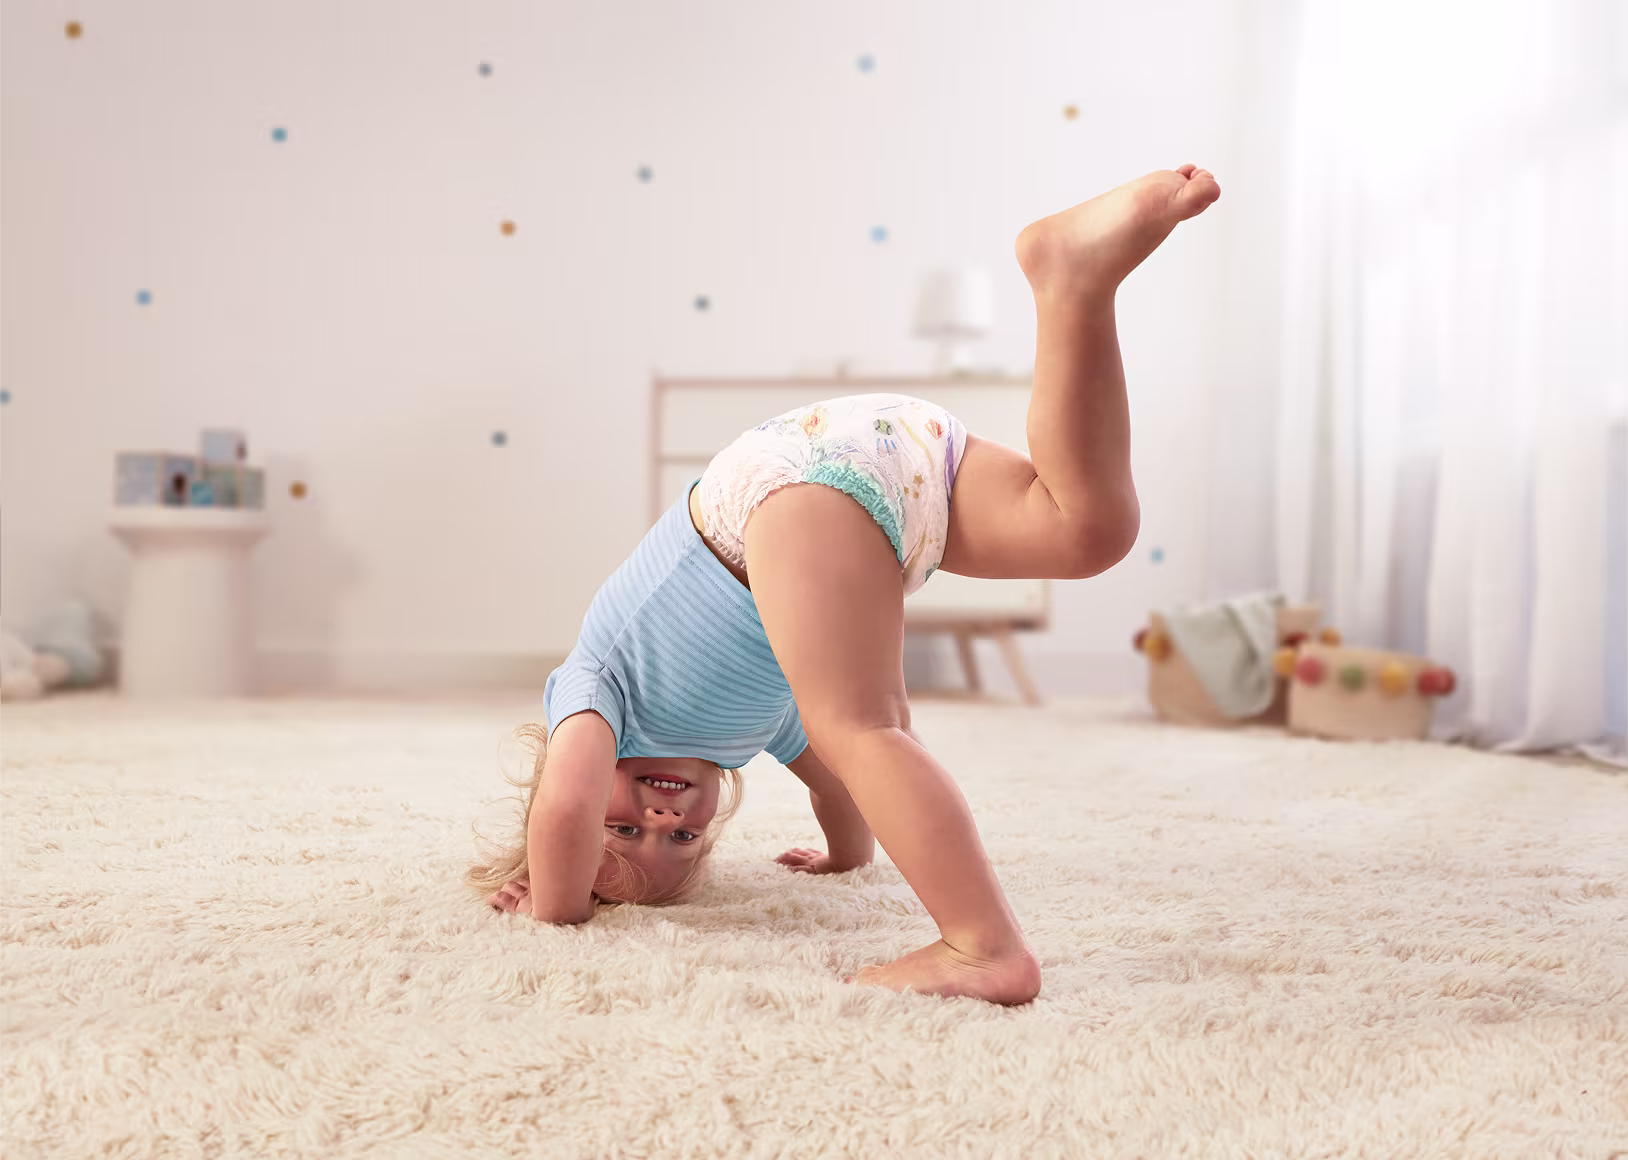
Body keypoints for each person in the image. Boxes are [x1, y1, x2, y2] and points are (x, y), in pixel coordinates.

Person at [468, 165, 1221, 1005]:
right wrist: (847, 853)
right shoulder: (746, 726)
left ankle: (983, 946)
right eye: (680, 842)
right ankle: (1073, 283)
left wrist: (557, 906)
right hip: (880, 454)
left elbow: (565, 809)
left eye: (623, 827)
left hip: (779, 493)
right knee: (1085, 530)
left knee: (868, 726)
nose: (659, 818)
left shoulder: (595, 697)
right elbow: (835, 780)